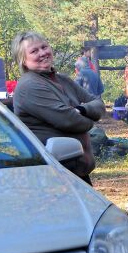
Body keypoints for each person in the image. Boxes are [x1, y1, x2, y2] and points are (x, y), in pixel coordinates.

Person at [11, 31, 104, 183]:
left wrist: (81, 110)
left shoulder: (63, 80)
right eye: (34, 51)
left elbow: (98, 104)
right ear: (23, 61)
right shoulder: (30, 86)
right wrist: (90, 120)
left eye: (44, 47)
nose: (42, 53)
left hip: (75, 173)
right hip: (53, 177)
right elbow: (70, 120)